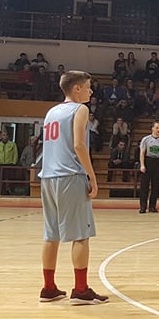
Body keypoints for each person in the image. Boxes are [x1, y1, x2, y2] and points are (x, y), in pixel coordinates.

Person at [38, 70, 108, 305]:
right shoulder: (80, 109)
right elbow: (79, 145)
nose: (91, 91)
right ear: (77, 88)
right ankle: (80, 290)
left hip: (48, 177)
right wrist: (92, 177)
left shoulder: (51, 112)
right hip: (70, 176)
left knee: (51, 235)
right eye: (88, 87)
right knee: (81, 235)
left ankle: (49, 288)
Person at [138, 121, 159, 213]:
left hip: (158, 162)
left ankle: (152, 206)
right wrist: (142, 165)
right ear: (152, 128)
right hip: (148, 161)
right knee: (144, 186)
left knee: (155, 186)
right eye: (157, 128)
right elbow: (142, 152)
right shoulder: (146, 139)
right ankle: (143, 207)